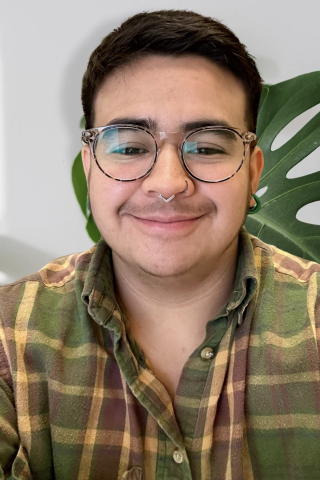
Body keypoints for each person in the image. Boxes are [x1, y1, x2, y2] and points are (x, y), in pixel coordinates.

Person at [1, 9, 319, 480]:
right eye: (130, 148)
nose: (167, 183)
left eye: (207, 147)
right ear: (89, 168)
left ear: (253, 171)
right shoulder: (9, 337)